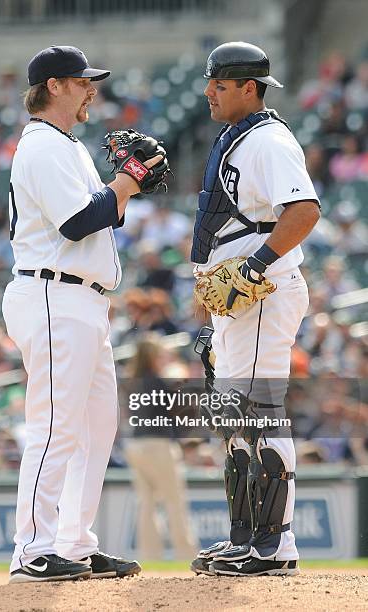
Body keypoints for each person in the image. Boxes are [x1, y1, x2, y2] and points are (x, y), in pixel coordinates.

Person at [2, 45, 166, 584]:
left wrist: (124, 187)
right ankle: (33, 548)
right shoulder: (43, 145)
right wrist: (127, 182)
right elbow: (76, 223)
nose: (91, 88)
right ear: (54, 86)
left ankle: (72, 542)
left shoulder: (66, 145)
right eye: (81, 81)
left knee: (96, 430)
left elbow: (99, 219)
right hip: (53, 295)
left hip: (82, 299)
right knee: (55, 425)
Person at [189, 42, 320, 577]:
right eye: (210, 82)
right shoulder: (235, 137)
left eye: (220, 84)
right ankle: (246, 539)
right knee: (235, 420)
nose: (209, 92)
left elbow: (305, 211)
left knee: (260, 416)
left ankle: (276, 545)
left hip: (261, 293)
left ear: (250, 88)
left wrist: (255, 265)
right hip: (237, 302)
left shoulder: (267, 139)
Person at [124, 333, 197, 560]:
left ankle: (150, 558)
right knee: (174, 501)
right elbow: (183, 411)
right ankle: (187, 556)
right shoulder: (158, 380)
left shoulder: (133, 381)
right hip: (158, 445)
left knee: (146, 504)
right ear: (153, 357)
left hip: (135, 445)